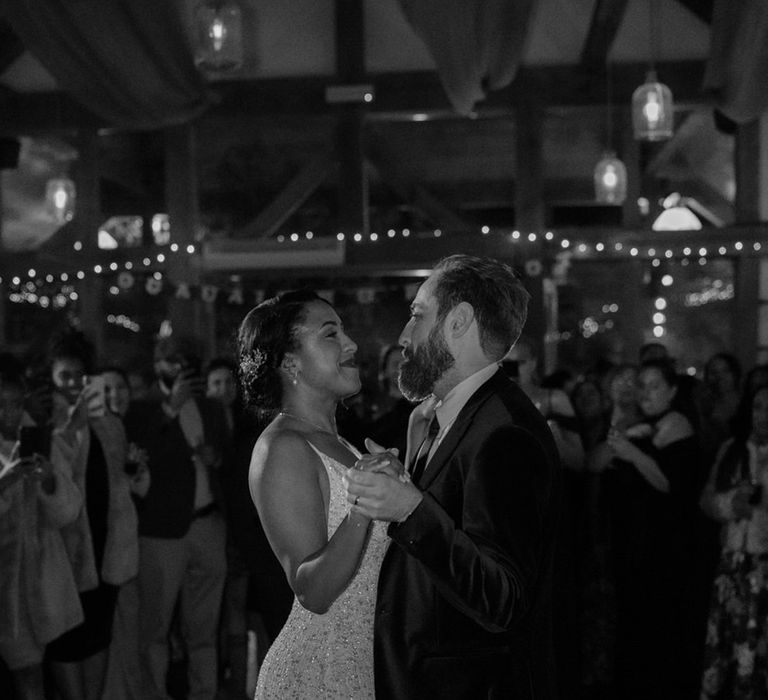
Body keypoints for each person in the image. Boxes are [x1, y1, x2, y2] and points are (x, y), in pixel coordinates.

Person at [345, 254, 561, 699]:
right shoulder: (453, 415)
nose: (404, 336)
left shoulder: (505, 433)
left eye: (418, 316)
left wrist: (410, 508)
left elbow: (503, 599)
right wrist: (407, 485)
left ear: (459, 321)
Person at [239, 290, 391, 698]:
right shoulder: (282, 448)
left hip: (366, 662)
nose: (351, 344)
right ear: (291, 363)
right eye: (330, 334)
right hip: (320, 670)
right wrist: (362, 504)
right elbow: (312, 590)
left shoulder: (343, 445)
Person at [44, 331, 147, 700]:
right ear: (52, 378)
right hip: (63, 562)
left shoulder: (108, 424)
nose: (73, 384)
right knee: (66, 643)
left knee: (99, 639)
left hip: (107, 556)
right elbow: (56, 503)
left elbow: (128, 487)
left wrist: (136, 471)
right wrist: (70, 430)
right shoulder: (46, 427)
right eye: (64, 376)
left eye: (79, 376)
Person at [127, 334, 230, 700]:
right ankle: (154, 694)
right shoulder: (141, 408)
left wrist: (215, 458)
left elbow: (226, 463)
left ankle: (204, 693)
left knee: (204, 628)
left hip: (207, 524)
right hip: (161, 532)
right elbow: (136, 460)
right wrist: (170, 408)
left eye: (187, 360)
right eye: (172, 361)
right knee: (154, 629)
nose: (181, 367)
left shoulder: (212, 408)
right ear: (158, 364)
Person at [604, 357, 701, 699]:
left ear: (673, 391)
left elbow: (669, 484)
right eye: (642, 385)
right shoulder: (642, 425)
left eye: (654, 385)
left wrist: (632, 452)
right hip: (637, 540)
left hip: (665, 545)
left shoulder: (678, 425)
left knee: (658, 623)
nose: (645, 392)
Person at [0, 368, 83, 700]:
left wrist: (49, 482)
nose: (8, 411)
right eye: (0, 404)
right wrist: (5, 481)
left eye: (14, 403)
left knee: (41, 675)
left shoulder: (37, 441)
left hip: (36, 586)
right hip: (7, 588)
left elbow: (68, 511)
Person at [699, 384, 768, 698]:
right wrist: (732, 503)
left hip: (763, 562)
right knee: (725, 639)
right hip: (732, 560)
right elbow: (707, 500)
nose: (763, 415)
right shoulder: (734, 448)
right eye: (757, 407)